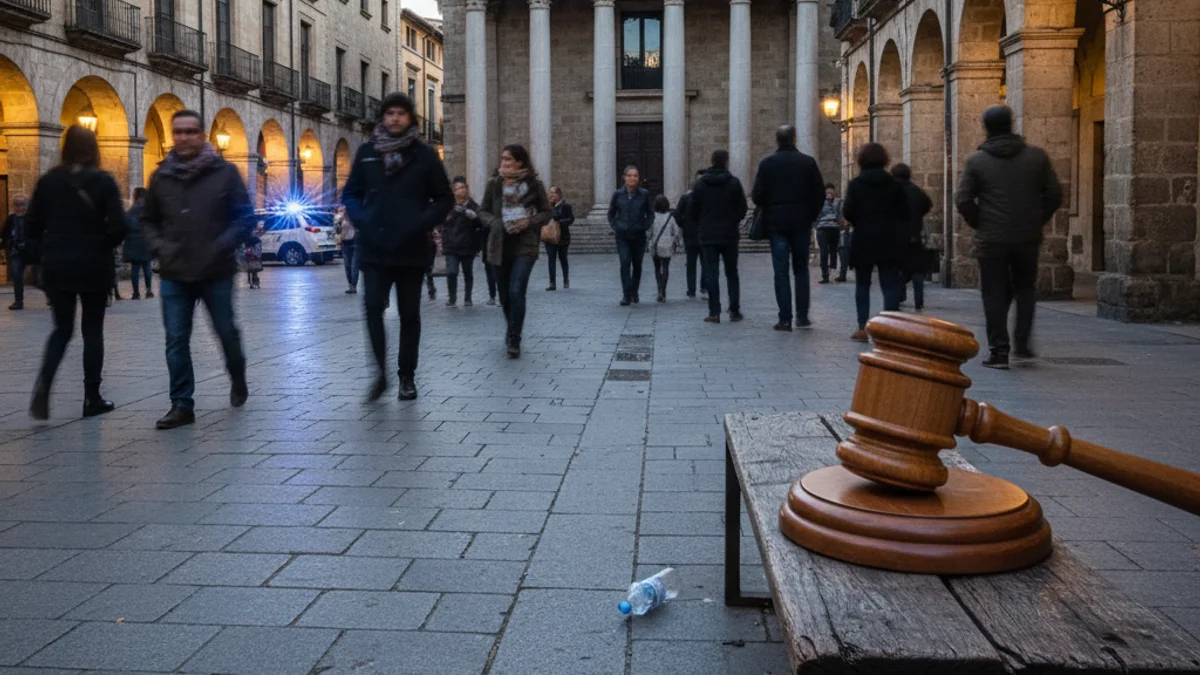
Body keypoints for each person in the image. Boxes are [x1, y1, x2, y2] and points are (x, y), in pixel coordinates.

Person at [142, 109, 253, 430]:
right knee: (176, 339)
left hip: (216, 270)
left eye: (190, 131)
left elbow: (245, 217)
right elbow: (148, 220)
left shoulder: (226, 173)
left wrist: (222, 244)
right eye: (178, 132)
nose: (184, 137)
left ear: (202, 135)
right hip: (175, 271)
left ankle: (237, 373)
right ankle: (181, 404)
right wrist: (159, 247)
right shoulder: (161, 176)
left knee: (226, 332)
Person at [344, 92, 453, 401]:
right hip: (375, 248)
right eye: (389, 113)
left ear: (410, 118)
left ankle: (407, 376)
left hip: (411, 248)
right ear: (383, 117)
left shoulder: (425, 155)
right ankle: (379, 373)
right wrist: (364, 218)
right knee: (372, 308)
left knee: (409, 315)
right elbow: (351, 193)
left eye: (401, 113)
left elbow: (444, 197)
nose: (394, 118)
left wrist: (421, 221)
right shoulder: (367, 152)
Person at [25, 125, 126, 419]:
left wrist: (36, 260)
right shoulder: (103, 181)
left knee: (62, 329)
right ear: (94, 148)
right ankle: (91, 397)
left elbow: (31, 226)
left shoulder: (48, 182)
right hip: (94, 266)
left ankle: (44, 387)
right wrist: (103, 244)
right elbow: (119, 226)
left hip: (57, 267)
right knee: (92, 331)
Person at [956, 105, 1062, 370]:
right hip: (1027, 236)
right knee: (1025, 289)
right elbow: (1054, 194)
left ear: (987, 128)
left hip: (992, 238)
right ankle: (1022, 344)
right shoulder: (1036, 157)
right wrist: (1037, 218)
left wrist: (980, 222)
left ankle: (999, 350)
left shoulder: (977, 161)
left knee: (993, 292)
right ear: (1011, 124)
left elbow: (964, 199)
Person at [479, 144, 552, 358]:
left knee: (517, 291)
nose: (504, 162)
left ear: (520, 161)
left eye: (509, 159)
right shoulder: (494, 184)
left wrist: (528, 221)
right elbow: (482, 211)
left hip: (525, 244)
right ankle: (512, 328)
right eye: (502, 159)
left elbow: (546, 212)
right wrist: (494, 222)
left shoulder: (534, 184)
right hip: (499, 243)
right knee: (504, 296)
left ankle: (514, 338)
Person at [752, 125, 826, 331]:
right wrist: (810, 214)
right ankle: (802, 316)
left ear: (777, 140)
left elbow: (757, 195)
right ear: (794, 138)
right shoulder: (807, 162)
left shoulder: (767, 164)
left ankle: (785, 318)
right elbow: (819, 194)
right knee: (801, 269)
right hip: (801, 222)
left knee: (781, 271)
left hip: (776, 224)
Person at [843, 142, 909, 343]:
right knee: (889, 283)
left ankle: (862, 327)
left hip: (864, 237)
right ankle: (889, 329)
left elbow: (848, 211)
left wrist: (860, 222)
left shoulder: (856, 184)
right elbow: (904, 212)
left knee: (862, 283)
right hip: (889, 238)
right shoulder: (894, 185)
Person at [689, 149, 748, 323]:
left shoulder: (700, 185)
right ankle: (734, 310)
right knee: (732, 272)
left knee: (711, 273)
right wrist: (733, 220)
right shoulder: (734, 183)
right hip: (729, 234)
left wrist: (702, 222)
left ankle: (714, 312)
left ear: (712, 161)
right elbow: (743, 208)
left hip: (708, 235)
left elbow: (692, 211)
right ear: (726, 162)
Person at [608, 165, 654, 306]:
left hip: (639, 235)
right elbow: (611, 213)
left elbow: (650, 214)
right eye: (630, 175)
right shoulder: (618, 194)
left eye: (635, 175)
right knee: (625, 262)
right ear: (624, 177)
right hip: (622, 235)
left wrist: (645, 226)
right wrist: (616, 226)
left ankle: (634, 291)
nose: (632, 178)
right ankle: (626, 294)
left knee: (637, 265)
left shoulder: (644, 194)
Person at [891, 163, 933, 311]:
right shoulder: (916, 191)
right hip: (914, 237)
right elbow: (928, 204)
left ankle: (896, 298)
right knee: (917, 271)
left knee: (897, 271)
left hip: (896, 238)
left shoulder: (890, 191)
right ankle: (918, 300)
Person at [443, 176, 481, 307]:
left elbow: (480, 224)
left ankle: (468, 298)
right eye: (458, 188)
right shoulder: (449, 206)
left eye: (463, 187)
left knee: (467, 272)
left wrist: (474, 217)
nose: (461, 191)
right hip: (451, 246)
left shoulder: (473, 206)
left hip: (467, 245)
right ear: (453, 191)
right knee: (452, 272)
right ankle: (452, 298)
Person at [675, 171, 707, 299]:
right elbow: (677, 214)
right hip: (693, 235)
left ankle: (700, 287)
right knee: (692, 263)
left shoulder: (706, 198)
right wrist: (684, 225)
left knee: (703, 263)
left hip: (703, 234)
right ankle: (692, 289)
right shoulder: (686, 198)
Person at [649, 195, 681, 303]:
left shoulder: (653, 217)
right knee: (666, 267)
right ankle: (664, 290)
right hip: (667, 245)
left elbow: (649, 232)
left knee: (657, 268)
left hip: (656, 245)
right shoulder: (670, 217)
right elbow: (676, 232)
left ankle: (659, 290)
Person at [122, 188, 153, 300]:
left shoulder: (130, 212)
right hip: (145, 243)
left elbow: (124, 226)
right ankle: (148, 290)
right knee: (147, 268)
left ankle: (136, 293)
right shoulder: (148, 211)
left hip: (133, 243)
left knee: (135, 270)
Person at [2, 195, 30, 310]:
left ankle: (50, 297)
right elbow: (4, 233)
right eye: (17, 204)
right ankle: (19, 301)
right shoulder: (11, 219)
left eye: (21, 204)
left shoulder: (31, 218)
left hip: (31, 251)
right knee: (17, 275)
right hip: (16, 251)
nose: (19, 207)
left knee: (41, 277)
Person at [545, 186, 574, 291]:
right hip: (550, 236)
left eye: (554, 193)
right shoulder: (548, 206)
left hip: (563, 237)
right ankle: (552, 283)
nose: (551, 195)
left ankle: (566, 278)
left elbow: (571, 219)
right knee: (551, 259)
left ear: (559, 194)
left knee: (563, 259)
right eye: (550, 193)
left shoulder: (566, 206)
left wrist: (559, 222)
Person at [815, 184, 844, 284]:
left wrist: (832, 203)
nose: (830, 195)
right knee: (823, 251)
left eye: (831, 193)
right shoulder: (819, 202)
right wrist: (817, 225)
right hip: (822, 228)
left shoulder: (839, 202)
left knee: (833, 250)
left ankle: (832, 268)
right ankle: (825, 276)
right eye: (828, 193)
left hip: (834, 228)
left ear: (835, 192)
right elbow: (816, 214)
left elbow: (840, 215)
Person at [335, 205, 360, 294]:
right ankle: (350, 284)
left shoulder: (355, 219)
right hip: (345, 243)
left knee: (354, 266)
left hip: (355, 243)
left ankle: (354, 286)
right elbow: (338, 231)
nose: (344, 211)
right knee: (347, 265)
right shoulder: (341, 219)